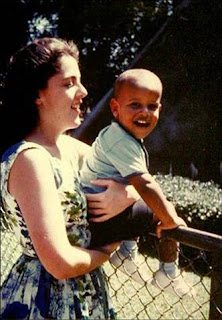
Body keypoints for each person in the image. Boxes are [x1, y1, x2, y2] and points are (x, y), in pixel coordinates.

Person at [0, 37, 140, 319]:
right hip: (44, 299)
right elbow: (60, 263)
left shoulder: (70, 148)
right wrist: (107, 249)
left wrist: (126, 194)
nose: (83, 91)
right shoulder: (31, 159)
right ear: (37, 94)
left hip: (87, 293)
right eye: (69, 83)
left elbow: (140, 178)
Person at [80, 68, 195, 297]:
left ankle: (126, 250)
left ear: (159, 110)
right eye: (135, 105)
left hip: (98, 214)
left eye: (152, 106)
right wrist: (171, 220)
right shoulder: (120, 141)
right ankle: (167, 274)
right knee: (164, 209)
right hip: (99, 217)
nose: (145, 112)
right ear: (115, 108)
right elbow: (146, 184)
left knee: (136, 198)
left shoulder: (119, 135)